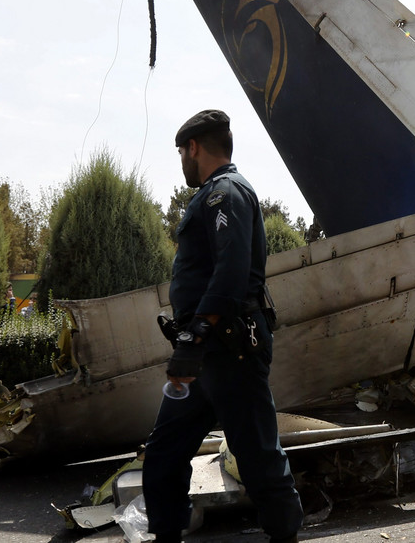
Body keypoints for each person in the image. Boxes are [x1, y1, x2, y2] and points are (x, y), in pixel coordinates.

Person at [143, 110, 303, 543]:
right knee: (163, 453)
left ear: (193, 147)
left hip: (229, 350)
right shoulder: (213, 195)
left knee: (257, 457)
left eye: (181, 152)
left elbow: (231, 273)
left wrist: (195, 335)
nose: (181, 161)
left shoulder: (225, 193)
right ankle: (165, 535)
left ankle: (285, 537)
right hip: (203, 355)